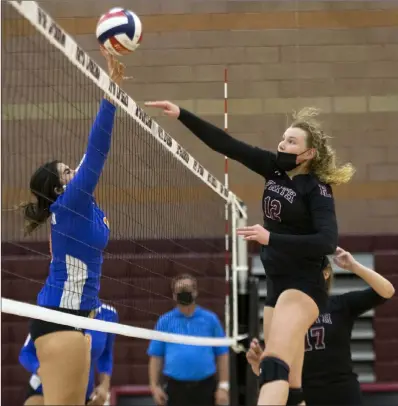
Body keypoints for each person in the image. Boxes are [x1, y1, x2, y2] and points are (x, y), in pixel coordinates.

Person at [145, 100, 355, 405]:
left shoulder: (317, 189)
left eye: (292, 141)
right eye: (283, 138)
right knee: (290, 384)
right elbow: (227, 145)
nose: (283, 143)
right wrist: (182, 115)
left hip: (304, 285)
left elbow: (326, 241)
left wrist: (271, 237)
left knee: (272, 367)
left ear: (308, 153)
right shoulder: (273, 167)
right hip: (276, 284)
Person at [21, 48, 124, 405]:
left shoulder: (83, 205)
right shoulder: (70, 203)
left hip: (80, 320)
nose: (74, 171)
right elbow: (96, 152)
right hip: (60, 319)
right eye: (67, 171)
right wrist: (111, 94)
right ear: (60, 187)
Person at [246, 247, 395, 405]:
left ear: (325, 273)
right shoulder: (284, 314)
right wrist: (261, 365)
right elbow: (279, 370)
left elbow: (386, 292)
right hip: (306, 397)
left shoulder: (341, 304)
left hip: (342, 395)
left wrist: (354, 267)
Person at [147, 274, 230, 406]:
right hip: (176, 388)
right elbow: (156, 356)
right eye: (180, 291)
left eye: (187, 290)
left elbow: (222, 354)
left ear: (195, 292)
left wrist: (223, 386)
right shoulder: (165, 321)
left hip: (206, 387)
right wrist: (154, 387)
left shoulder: (210, 319)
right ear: (174, 295)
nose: (183, 294)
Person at [20, 304, 119, 406]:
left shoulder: (108, 314)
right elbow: (26, 353)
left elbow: (105, 354)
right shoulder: (51, 309)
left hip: (85, 395)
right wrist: (44, 371)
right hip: (44, 391)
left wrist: (104, 386)